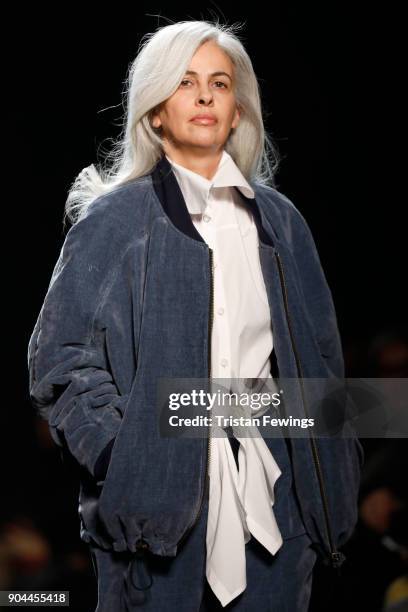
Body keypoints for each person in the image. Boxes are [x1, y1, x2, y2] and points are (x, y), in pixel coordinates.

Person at [27, 19, 364, 611]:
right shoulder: (113, 223)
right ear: (155, 111)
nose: (205, 95)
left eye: (219, 83)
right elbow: (60, 359)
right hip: (157, 506)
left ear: (237, 111)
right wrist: (124, 459)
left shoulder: (282, 224)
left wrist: (334, 477)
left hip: (278, 498)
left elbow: (324, 360)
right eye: (185, 82)